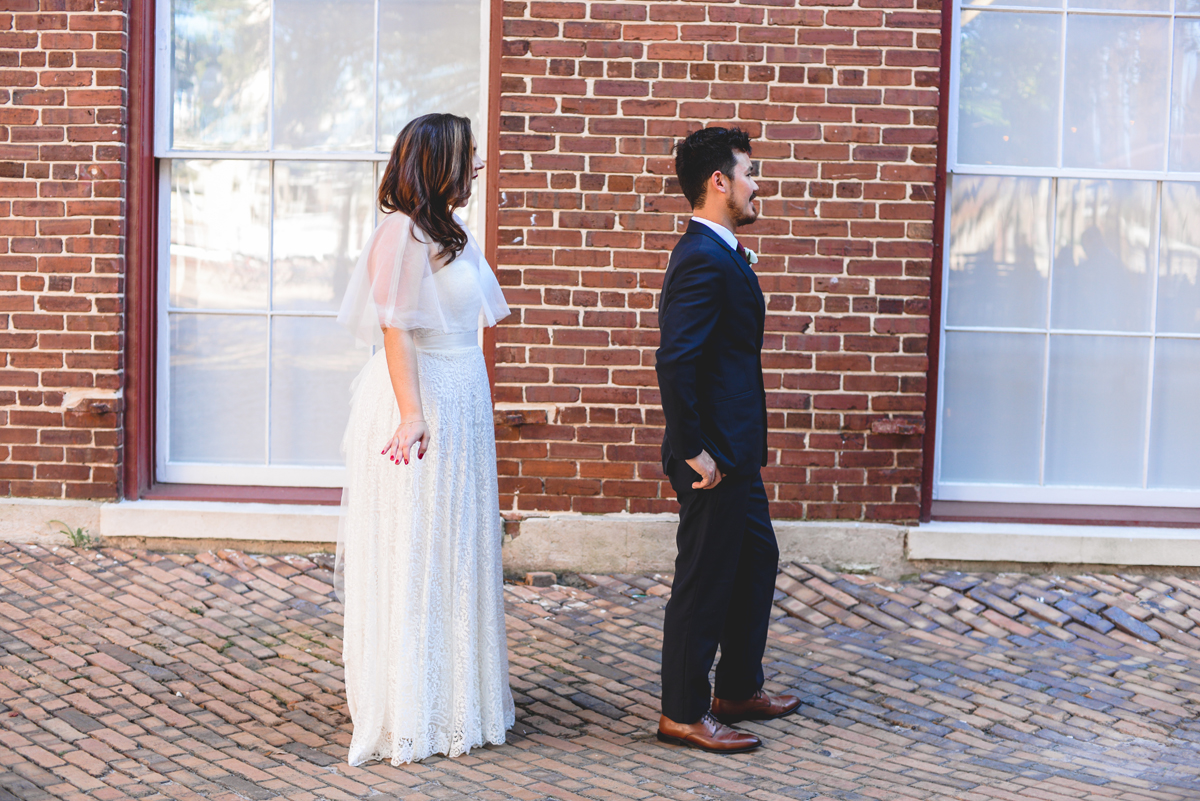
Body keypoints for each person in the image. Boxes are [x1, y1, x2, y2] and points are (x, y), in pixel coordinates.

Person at [335, 113, 514, 766]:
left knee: (457, 547)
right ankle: (412, 708)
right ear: (440, 161)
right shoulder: (399, 232)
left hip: (462, 398)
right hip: (422, 403)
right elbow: (395, 329)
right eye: (470, 156)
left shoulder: (452, 231)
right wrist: (413, 414)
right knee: (418, 552)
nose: (478, 166)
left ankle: (460, 700)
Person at [654, 126, 800, 753]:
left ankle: (737, 687)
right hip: (710, 455)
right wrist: (693, 450)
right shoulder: (701, 260)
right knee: (705, 579)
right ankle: (682, 712)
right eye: (749, 172)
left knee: (756, 561)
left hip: (737, 449)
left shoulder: (723, 251)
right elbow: (675, 360)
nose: (756, 183)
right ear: (720, 182)